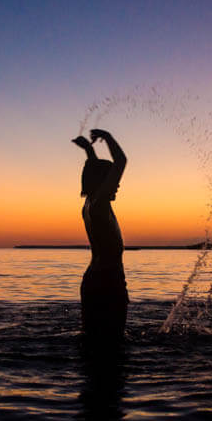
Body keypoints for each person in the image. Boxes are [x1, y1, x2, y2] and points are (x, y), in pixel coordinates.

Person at [71, 129, 128, 339]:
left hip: (93, 280)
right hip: (109, 282)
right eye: (113, 180)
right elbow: (121, 161)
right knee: (114, 342)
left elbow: (95, 171)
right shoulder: (100, 205)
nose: (118, 184)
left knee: (91, 340)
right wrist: (108, 136)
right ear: (103, 182)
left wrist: (89, 150)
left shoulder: (91, 204)